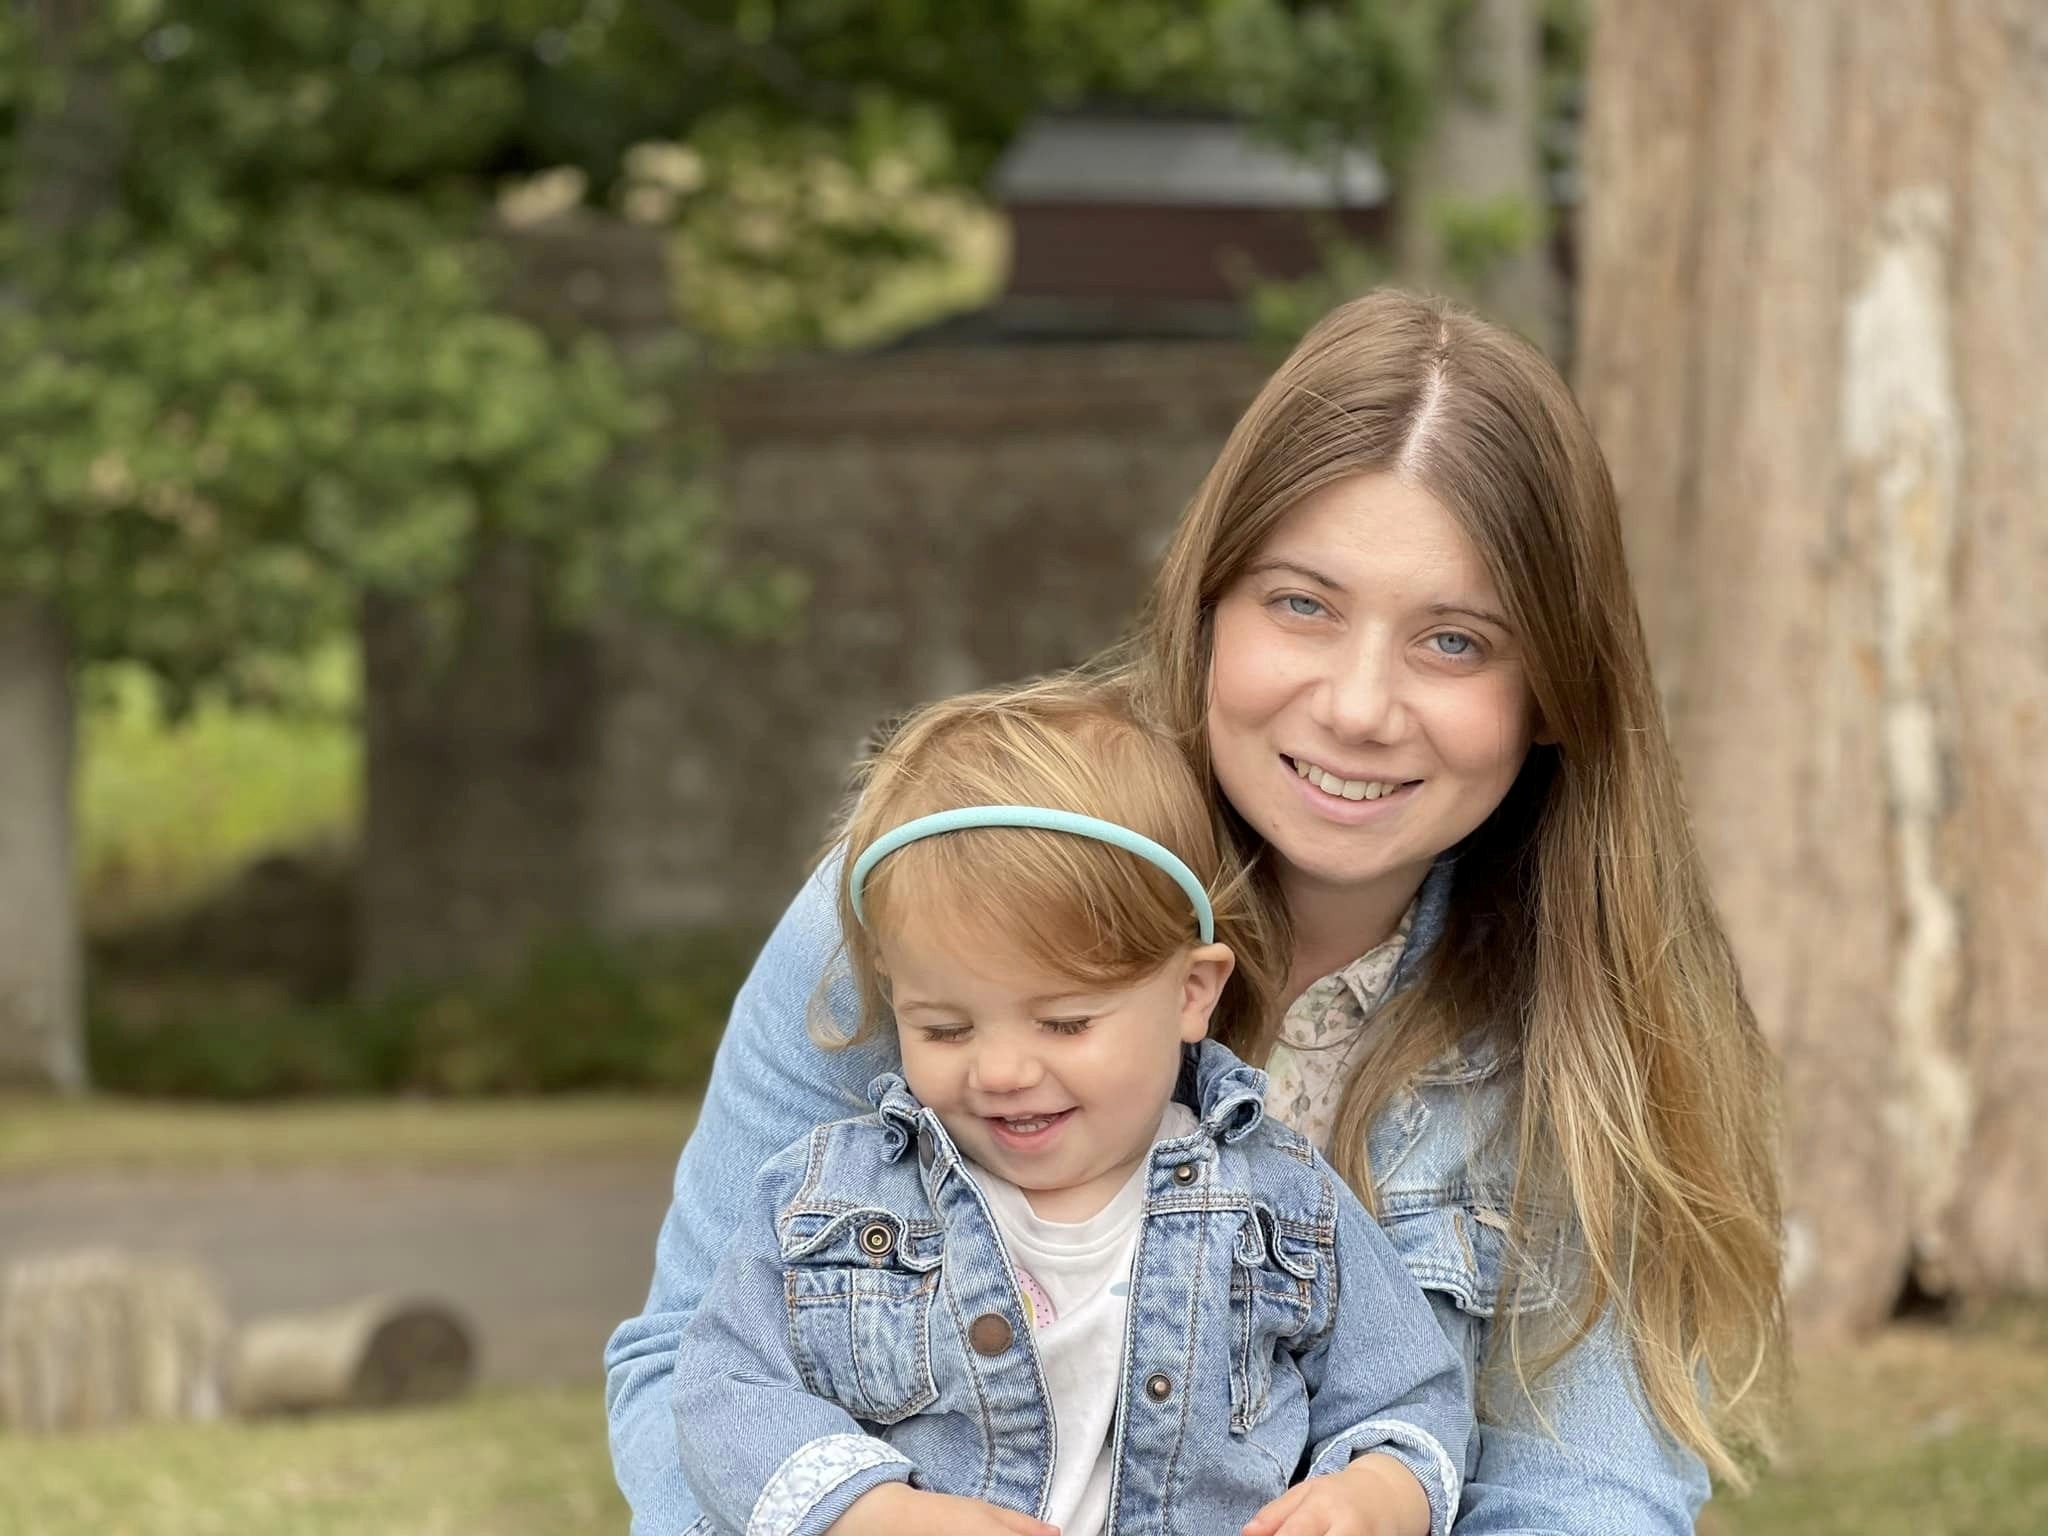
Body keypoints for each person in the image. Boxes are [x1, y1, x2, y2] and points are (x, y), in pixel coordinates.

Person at [607, 290, 1786, 1534]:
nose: (1358, 706)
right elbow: (688, 1367)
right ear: (1205, 606)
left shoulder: (1589, 1031)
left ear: (1551, 686)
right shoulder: (937, 880)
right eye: (1301, 605)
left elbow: (1583, 1497)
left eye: (1452, 642)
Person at [671, 686, 1472, 1536]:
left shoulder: (1283, 1203)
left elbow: (1408, 1390)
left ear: (1192, 993)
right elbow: (723, 1387)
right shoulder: (828, 1203)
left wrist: (1378, 1492)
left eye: (1065, 1022)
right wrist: (867, 1511)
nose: (1005, 1071)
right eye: (944, 1027)